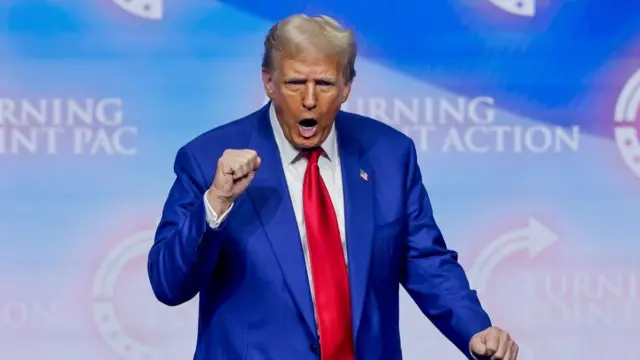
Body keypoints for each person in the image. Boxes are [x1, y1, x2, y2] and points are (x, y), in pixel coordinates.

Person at [148, 13, 519, 360]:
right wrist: (216, 202)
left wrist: (475, 331)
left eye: (324, 83)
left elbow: (426, 261)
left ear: (346, 87)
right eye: (295, 83)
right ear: (268, 82)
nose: (309, 100)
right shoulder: (207, 158)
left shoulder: (390, 155)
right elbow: (168, 284)